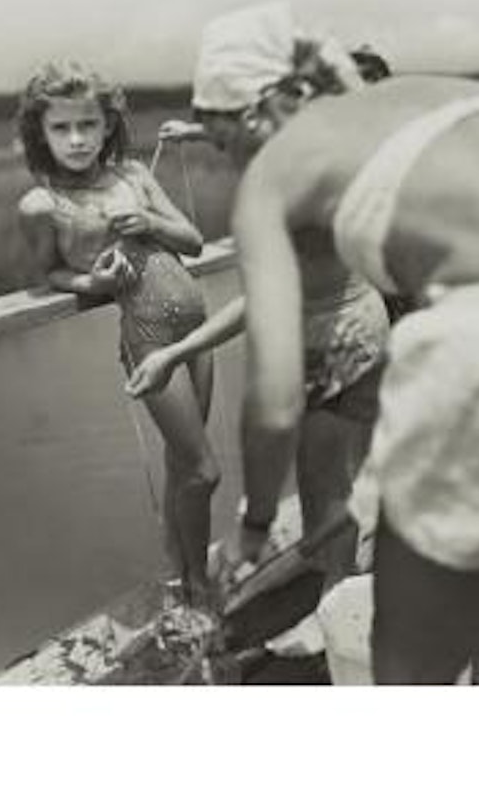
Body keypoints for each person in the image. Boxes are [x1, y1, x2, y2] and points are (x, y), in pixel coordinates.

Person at [197, 0, 479, 684]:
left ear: (259, 111)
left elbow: (277, 400)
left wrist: (253, 527)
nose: (234, 163)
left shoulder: (274, 174)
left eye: (223, 142)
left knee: (404, 674)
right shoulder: (452, 96)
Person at [125, 44, 395, 593]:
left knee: (327, 491)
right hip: (333, 336)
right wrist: (194, 131)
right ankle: (350, 584)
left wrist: (173, 353)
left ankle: (336, 604)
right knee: (335, 479)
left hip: (342, 341)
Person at [16, 61, 222, 610]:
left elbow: (195, 241)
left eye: (88, 124)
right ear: (40, 133)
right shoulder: (43, 204)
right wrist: (93, 280)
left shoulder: (133, 175)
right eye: (61, 128)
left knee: (185, 465)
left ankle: (180, 578)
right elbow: (50, 275)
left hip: (196, 327)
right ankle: (201, 588)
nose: (77, 139)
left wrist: (150, 222)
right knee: (205, 471)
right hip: (149, 337)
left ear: (109, 125)